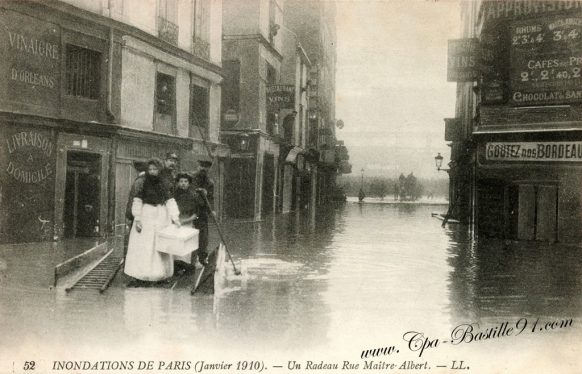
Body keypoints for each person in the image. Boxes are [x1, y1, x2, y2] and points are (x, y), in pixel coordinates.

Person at [124, 158, 180, 284]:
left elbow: (170, 201)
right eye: (150, 169)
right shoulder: (143, 183)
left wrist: (175, 218)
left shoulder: (164, 184)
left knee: (160, 246)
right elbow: (137, 200)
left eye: (155, 169)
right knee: (144, 245)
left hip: (161, 216)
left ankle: (160, 275)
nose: (152, 172)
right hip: (146, 216)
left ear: (159, 170)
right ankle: (141, 275)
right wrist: (137, 218)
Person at [173, 172, 204, 274]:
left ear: (189, 183)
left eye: (185, 181)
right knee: (176, 247)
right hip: (175, 223)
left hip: (188, 223)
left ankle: (188, 267)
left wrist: (186, 221)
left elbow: (196, 214)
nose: (183, 184)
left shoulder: (194, 196)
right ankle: (176, 267)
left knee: (188, 247)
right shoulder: (173, 195)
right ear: (177, 183)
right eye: (181, 181)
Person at [191, 157, 215, 266]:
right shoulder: (191, 178)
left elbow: (211, 198)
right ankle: (190, 259)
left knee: (203, 236)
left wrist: (212, 210)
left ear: (209, 169)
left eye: (206, 167)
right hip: (191, 211)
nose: (203, 169)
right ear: (198, 166)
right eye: (202, 166)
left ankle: (202, 258)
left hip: (202, 212)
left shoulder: (210, 183)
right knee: (190, 235)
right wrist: (199, 192)